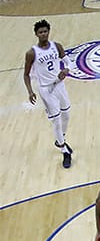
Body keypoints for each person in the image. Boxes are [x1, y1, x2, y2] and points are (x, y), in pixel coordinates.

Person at [23, 19, 74, 169]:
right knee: (56, 120)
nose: (43, 34)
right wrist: (30, 91)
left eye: (45, 31)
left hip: (59, 85)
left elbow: (69, 62)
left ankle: (60, 139)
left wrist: (66, 69)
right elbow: (26, 74)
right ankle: (65, 150)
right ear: (36, 34)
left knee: (67, 115)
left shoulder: (56, 46)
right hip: (46, 89)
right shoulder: (31, 53)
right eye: (40, 32)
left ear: (48, 32)